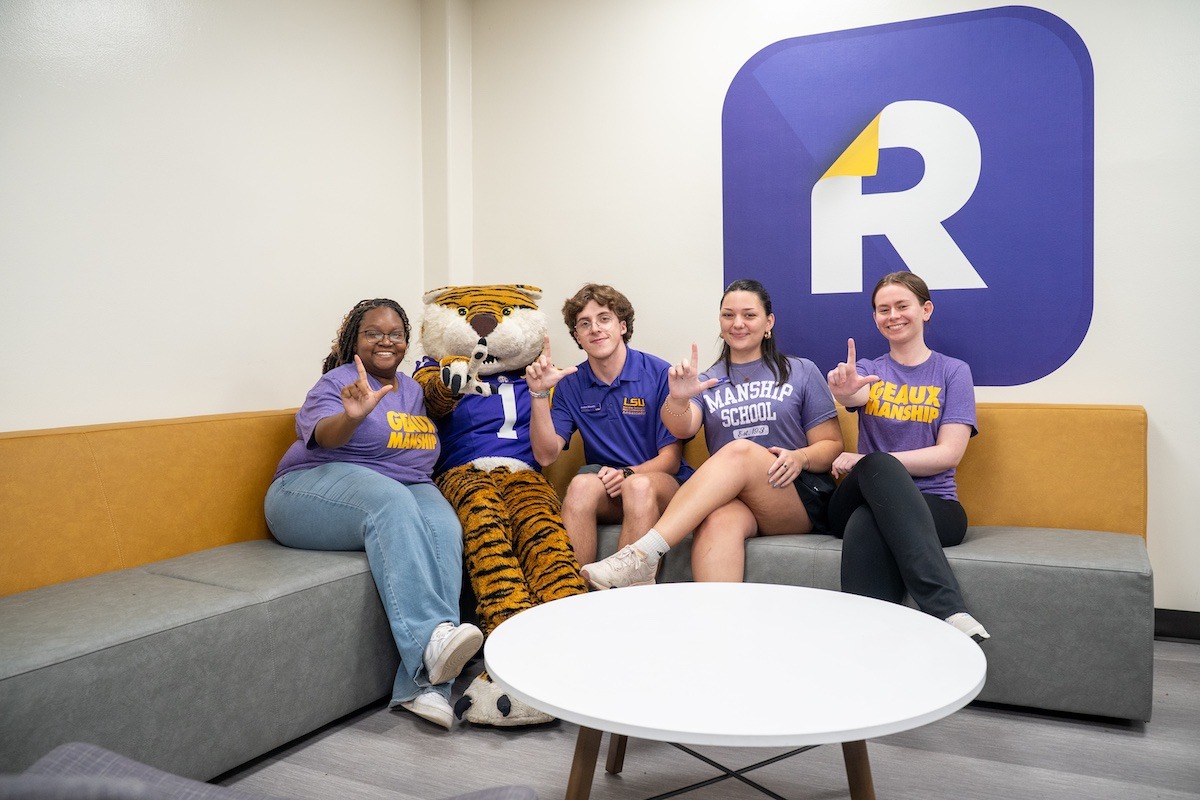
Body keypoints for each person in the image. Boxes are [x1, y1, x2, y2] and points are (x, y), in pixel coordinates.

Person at [264, 298, 482, 730]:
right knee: (391, 502)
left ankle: (424, 688)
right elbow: (323, 436)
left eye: (395, 333)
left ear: (406, 341)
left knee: (443, 526)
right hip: (308, 490)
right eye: (373, 333)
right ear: (354, 340)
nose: (386, 340)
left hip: (403, 486)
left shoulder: (414, 390)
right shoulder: (339, 381)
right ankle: (432, 646)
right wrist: (352, 417)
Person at [579, 279, 843, 587]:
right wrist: (677, 398)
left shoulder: (801, 371)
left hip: (792, 493)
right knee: (716, 521)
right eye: (728, 315)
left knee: (739, 450)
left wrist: (801, 457)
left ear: (768, 322)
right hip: (735, 501)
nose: (738, 323)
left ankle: (643, 554)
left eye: (749, 315)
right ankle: (717, 626)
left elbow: (832, 444)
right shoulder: (708, 380)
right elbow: (683, 426)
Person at [825, 271, 990, 641]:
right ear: (875, 318)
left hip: (936, 504)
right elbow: (855, 395)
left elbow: (949, 454)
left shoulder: (953, 372)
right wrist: (846, 393)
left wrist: (865, 460)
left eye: (902, 306)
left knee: (870, 517)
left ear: (925, 309)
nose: (893, 315)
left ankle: (865, 646)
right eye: (883, 309)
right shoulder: (869, 370)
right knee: (878, 465)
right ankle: (947, 608)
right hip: (854, 498)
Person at [525, 283, 693, 565]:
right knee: (580, 487)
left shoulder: (659, 373)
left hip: (662, 486)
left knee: (637, 487)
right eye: (585, 323)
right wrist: (539, 394)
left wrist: (627, 473)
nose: (595, 329)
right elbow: (545, 454)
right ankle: (572, 593)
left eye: (604, 319)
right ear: (577, 335)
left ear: (622, 326)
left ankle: (625, 595)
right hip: (610, 489)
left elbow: (671, 460)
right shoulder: (571, 383)